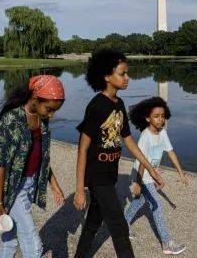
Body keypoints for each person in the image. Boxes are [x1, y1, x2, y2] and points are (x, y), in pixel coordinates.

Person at [73, 49, 164, 258]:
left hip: (110, 174)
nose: (127, 78)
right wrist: (79, 189)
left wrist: (151, 170)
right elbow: (83, 148)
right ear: (107, 77)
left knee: (93, 222)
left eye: (126, 73)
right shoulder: (96, 106)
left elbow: (129, 141)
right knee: (119, 226)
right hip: (97, 177)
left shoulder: (120, 104)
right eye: (122, 74)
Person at [0, 75, 66, 258]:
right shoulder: (11, 120)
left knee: (9, 241)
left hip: (30, 185)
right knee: (34, 247)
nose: (51, 115)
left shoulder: (41, 121)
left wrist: (54, 185)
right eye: (50, 109)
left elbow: (42, 157)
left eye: (54, 111)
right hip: (14, 187)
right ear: (36, 99)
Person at [124, 96, 187, 255]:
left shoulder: (163, 133)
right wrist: (138, 183)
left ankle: (121, 225)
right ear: (147, 118)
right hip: (141, 174)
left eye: (163, 116)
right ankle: (167, 243)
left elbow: (170, 152)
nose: (161, 120)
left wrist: (181, 173)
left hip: (150, 174)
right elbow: (140, 163)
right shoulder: (145, 137)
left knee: (138, 202)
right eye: (156, 116)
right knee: (157, 205)